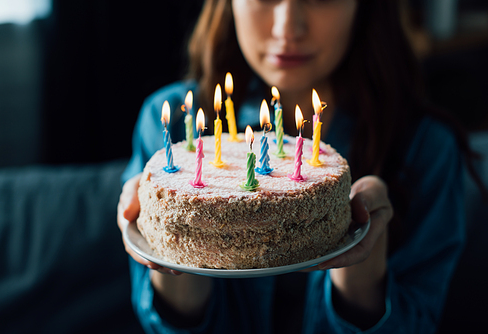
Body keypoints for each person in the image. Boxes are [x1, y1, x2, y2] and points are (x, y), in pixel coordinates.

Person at [117, 0, 481, 332]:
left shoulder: (426, 149)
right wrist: (173, 243)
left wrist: (362, 271)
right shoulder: (170, 125)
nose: (287, 27)